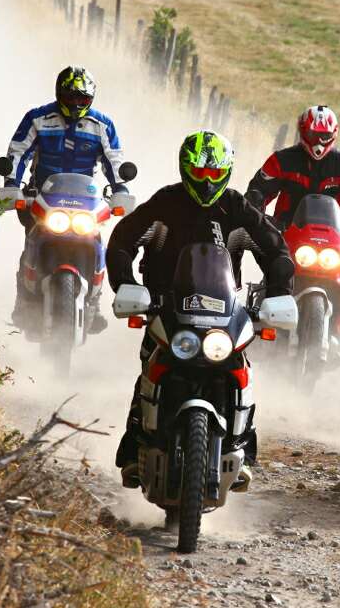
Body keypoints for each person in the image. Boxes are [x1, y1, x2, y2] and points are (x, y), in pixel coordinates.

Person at [107, 130, 294, 489]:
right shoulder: (165, 204)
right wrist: (127, 285)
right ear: (185, 169)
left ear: (226, 172)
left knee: (241, 367)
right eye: (200, 172)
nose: (207, 181)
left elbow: (276, 252)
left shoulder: (237, 208)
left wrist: (278, 294)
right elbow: (122, 241)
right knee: (149, 365)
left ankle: (243, 447)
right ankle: (134, 446)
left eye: (214, 173)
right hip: (165, 310)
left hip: (223, 312)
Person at [3, 66, 129, 332]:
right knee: (31, 243)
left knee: (97, 242)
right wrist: (12, 185)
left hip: (86, 200)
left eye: (82, 99)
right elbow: (18, 152)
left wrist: (121, 190)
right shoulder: (37, 118)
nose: (76, 104)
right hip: (42, 197)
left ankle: (95, 304)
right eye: (71, 97)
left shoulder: (102, 125)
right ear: (59, 94)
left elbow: (114, 160)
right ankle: (23, 303)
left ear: (91, 99)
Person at [245, 105, 340, 231]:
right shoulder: (281, 160)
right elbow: (258, 190)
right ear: (303, 131)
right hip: (285, 232)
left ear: (334, 134)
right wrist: (256, 213)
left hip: (333, 237)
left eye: (324, 136)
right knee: (249, 239)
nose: (318, 142)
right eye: (312, 135)